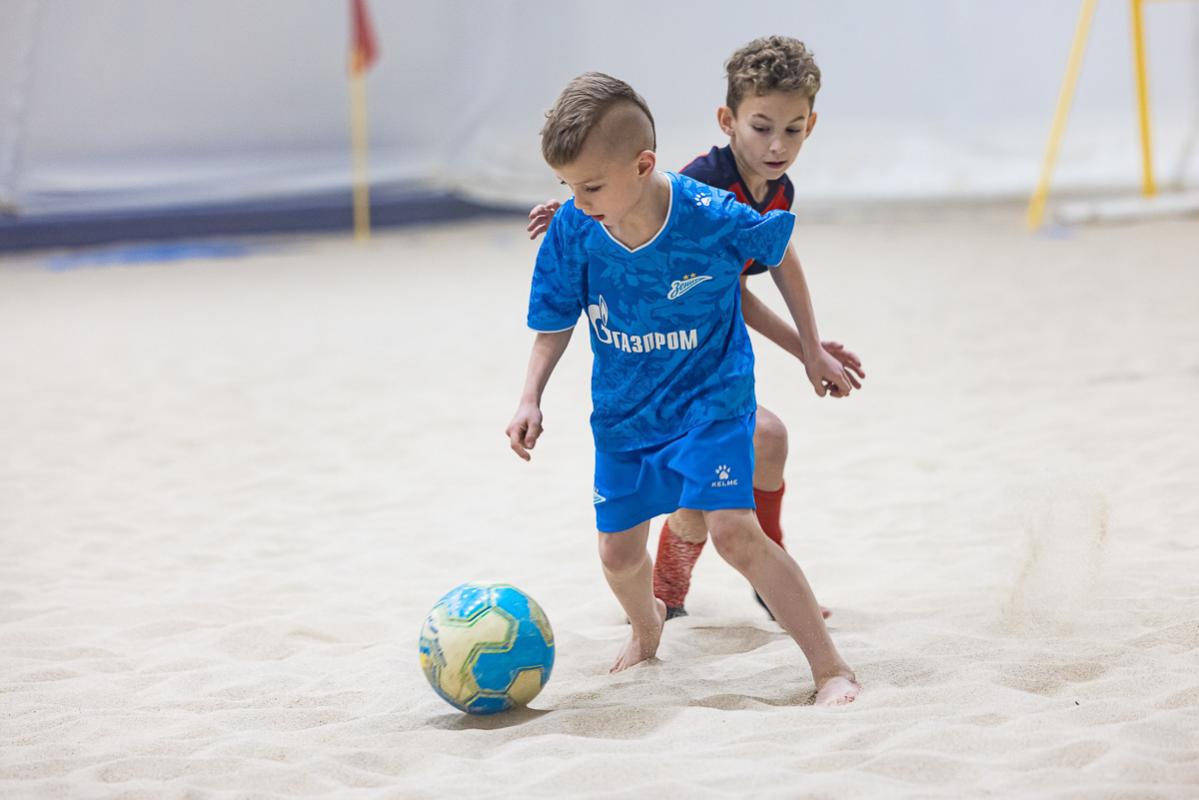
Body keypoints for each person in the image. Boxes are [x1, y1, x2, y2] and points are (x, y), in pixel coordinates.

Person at [505, 71, 859, 705]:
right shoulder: (574, 228)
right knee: (617, 555)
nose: (576, 201)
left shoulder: (709, 213)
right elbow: (553, 323)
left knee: (734, 532)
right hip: (624, 416)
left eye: (591, 186)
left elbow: (779, 253)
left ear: (643, 166)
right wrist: (530, 396)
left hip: (711, 400)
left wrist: (812, 349)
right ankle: (648, 629)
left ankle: (831, 669)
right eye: (568, 187)